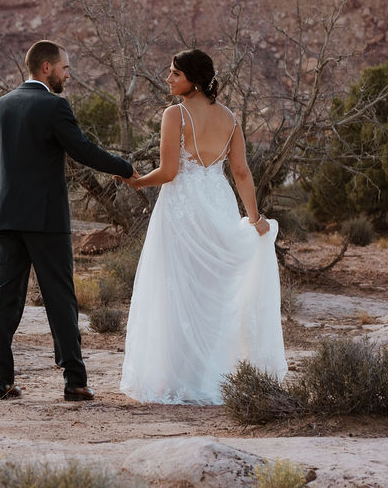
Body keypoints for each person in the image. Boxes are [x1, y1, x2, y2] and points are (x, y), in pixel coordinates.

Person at [119, 48, 287, 404]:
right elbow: (241, 172)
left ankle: (178, 378)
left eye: (174, 74)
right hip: (219, 202)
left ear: (193, 80)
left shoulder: (175, 114)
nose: (168, 79)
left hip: (182, 208)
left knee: (176, 290)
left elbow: (168, 172)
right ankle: (212, 376)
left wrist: (138, 181)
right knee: (213, 293)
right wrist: (254, 218)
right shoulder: (230, 118)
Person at [0, 40, 137, 402]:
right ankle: (74, 381)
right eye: (65, 68)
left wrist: (4, 207)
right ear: (46, 69)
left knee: (5, 298)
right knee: (60, 299)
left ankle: (1, 381)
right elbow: (82, 149)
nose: (69, 75)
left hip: (7, 217)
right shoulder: (55, 106)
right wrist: (125, 169)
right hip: (47, 221)